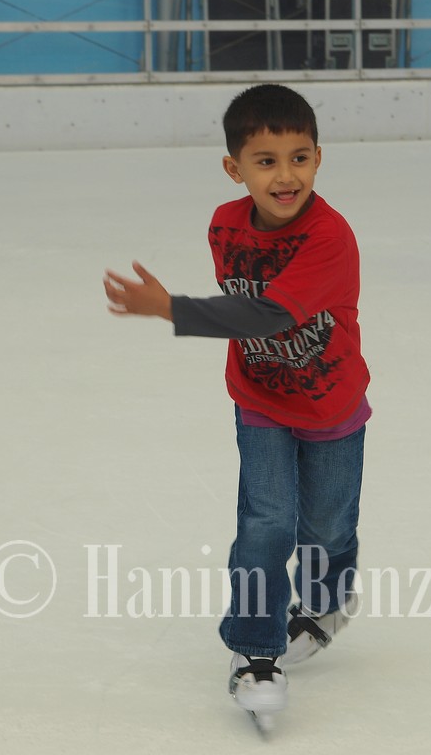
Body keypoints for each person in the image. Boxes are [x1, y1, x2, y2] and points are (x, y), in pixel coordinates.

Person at [102, 83, 369, 726]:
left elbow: (265, 312)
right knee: (265, 526)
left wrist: (171, 308)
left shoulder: (329, 237)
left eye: (300, 157)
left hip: (332, 406)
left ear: (319, 158)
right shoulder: (225, 223)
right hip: (261, 403)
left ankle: (326, 602)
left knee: (327, 528)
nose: (286, 175)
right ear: (235, 167)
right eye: (267, 160)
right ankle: (255, 654)